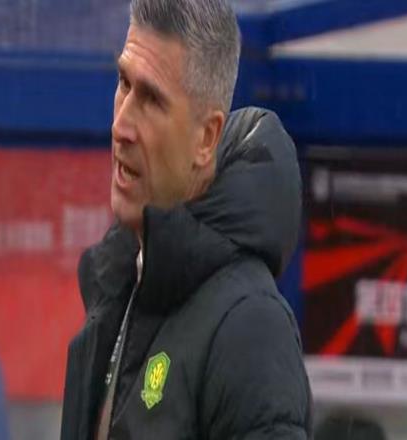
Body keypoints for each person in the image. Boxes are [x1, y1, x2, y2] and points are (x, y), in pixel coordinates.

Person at [61, 0, 313, 439]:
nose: (121, 126)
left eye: (151, 100)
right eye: (124, 83)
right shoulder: (120, 285)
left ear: (206, 137)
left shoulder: (250, 326)